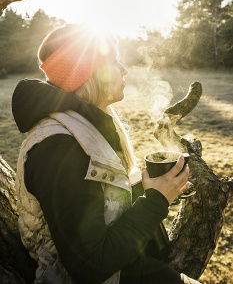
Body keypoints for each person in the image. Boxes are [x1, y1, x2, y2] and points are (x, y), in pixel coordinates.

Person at [12, 24, 200, 284]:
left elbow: (97, 205)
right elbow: (90, 266)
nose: (124, 69)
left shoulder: (86, 125)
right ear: (88, 73)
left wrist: (143, 186)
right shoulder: (57, 148)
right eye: (113, 60)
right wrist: (157, 199)